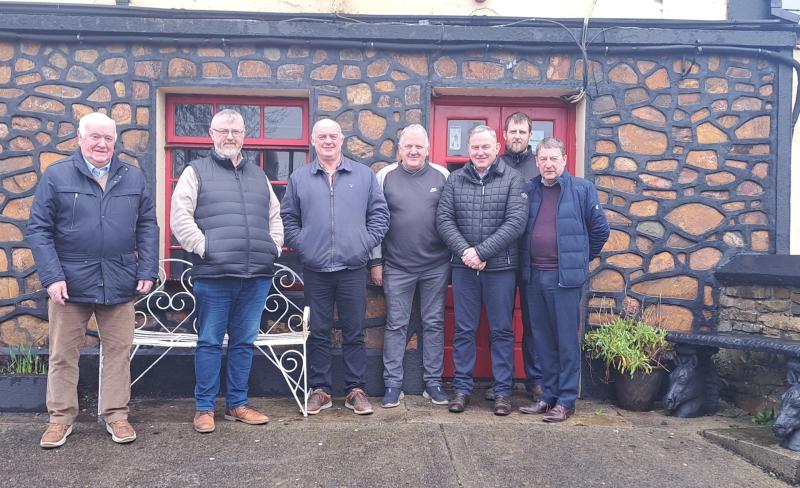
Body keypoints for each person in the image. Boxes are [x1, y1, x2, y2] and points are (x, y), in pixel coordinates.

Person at [26, 112, 159, 448]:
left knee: (118, 350)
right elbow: (39, 230)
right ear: (80, 139)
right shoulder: (57, 176)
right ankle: (60, 419)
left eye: (108, 138)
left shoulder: (132, 177)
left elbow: (147, 225)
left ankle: (116, 415)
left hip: (119, 279)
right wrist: (52, 276)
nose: (102, 144)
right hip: (69, 282)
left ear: (115, 141)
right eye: (95, 137)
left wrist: (147, 269)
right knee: (62, 353)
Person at [171, 109, 284, 433]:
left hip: (256, 276)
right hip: (215, 275)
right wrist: (207, 249)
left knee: (244, 342)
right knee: (208, 341)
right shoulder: (196, 171)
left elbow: (275, 217)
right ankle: (204, 408)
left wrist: (272, 248)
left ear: (244, 135)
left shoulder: (257, 175)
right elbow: (180, 218)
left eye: (235, 131)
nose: (230, 136)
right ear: (211, 133)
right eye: (223, 131)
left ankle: (237, 404)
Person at [281, 118, 389, 415]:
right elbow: (288, 218)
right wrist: (303, 244)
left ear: (341, 140)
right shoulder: (300, 178)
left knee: (355, 330)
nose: (328, 141)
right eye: (322, 137)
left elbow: (380, 216)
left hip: (352, 267)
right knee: (318, 330)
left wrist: (363, 244)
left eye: (333, 136)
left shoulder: (364, 176)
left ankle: (355, 389)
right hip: (315, 268)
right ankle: (321, 390)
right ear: (313, 142)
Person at [436, 125, 528, 416]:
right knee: (464, 330)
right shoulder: (454, 180)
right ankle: (461, 389)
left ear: (497, 148)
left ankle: (502, 392)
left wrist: (482, 252)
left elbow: (515, 222)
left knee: (501, 331)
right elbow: (444, 220)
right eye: (475, 147)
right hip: (464, 268)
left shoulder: (513, 179)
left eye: (485, 147)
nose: (480, 152)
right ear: (469, 150)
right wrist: (466, 252)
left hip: (501, 269)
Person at [518, 137, 609, 422]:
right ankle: (547, 396)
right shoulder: (529, 190)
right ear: (537, 162)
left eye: (553, 159)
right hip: (533, 277)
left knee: (566, 341)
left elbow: (600, 231)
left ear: (564, 160)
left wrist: (579, 259)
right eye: (543, 159)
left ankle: (566, 400)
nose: (548, 164)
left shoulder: (582, 190)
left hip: (564, 280)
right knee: (541, 339)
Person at [370, 124, 451, 408]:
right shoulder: (385, 176)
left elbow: (451, 218)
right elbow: (376, 221)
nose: (414, 151)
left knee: (433, 323)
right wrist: (376, 261)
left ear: (427, 149)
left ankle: (433, 383)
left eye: (419, 146)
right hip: (397, 266)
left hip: (436, 266)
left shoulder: (443, 175)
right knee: (395, 325)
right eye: (408, 146)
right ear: (400, 149)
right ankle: (393, 385)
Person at [485, 112, 543, 403]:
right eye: (513, 131)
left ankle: (536, 380)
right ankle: (500, 383)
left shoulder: (539, 166)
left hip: (533, 256)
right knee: (500, 324)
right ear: (504, 135)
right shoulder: (496, 165)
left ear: (530, 135)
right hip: (500, 257)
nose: (517, 136)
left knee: (534, 324)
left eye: (522, 131)